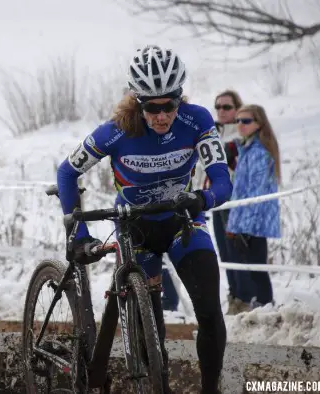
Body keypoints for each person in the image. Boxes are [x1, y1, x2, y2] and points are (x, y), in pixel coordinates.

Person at [56, 45, 232, 394]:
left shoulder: (197, 120)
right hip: (135, 230)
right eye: (153, 107)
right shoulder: (115, 132)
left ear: (180, 98)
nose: (162, 115)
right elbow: (66, 173)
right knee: (148, 325)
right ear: (138, 102)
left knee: (210, 312)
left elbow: (223, 181)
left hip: (183, 224)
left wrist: (202, 198)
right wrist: (79, 232)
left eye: (169, 104)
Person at [197, 90, 249, 314]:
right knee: (225, 253)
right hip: (216, 200)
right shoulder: (211, 133)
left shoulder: (244, 131)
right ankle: (234, 297)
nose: (221, 111)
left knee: (240, 250)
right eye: (218, 107)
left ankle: (247, 299)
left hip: (238, 200)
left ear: (237, 108)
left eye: (226, 107)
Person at [226, 105, 281, 310]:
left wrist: (244, 230)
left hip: (254, 224)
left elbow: (255, 196)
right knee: (249, 269)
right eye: (238, 120)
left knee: (257, 269)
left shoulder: (258, 153)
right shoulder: (246, 149)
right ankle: (261, 306)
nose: (240, 125)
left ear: (259, 124)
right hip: (243, 222)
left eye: (246, 121)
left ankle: (265, 306)